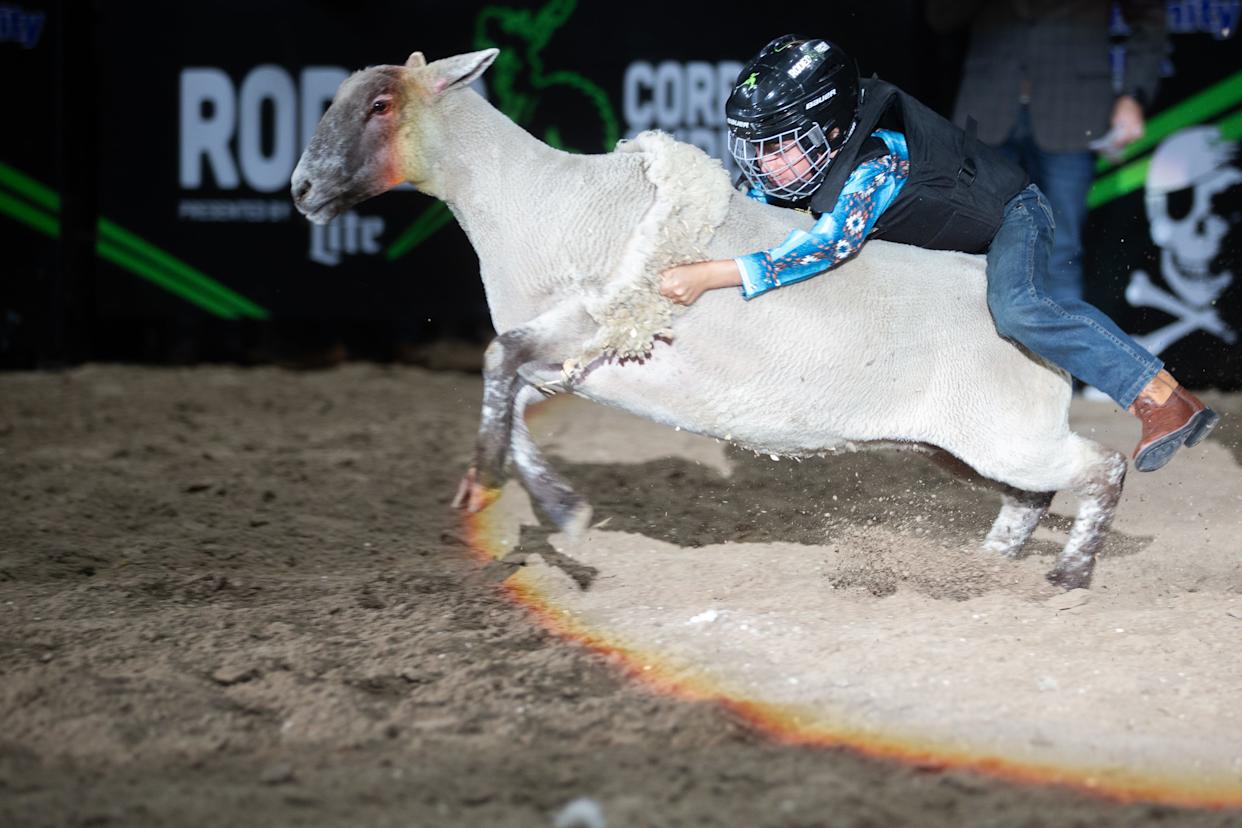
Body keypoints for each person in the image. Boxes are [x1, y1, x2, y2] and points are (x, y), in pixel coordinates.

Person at [657, 35, 1216, 473]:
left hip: (1012, 216)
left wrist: (713, 273)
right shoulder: (797, 165)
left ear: (828, 129)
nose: (765, 165)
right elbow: (749, 214)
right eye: (757, 148)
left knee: (1019, 309)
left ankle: (1160, 396)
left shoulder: (877, 160)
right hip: (943, 239)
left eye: (780, 146)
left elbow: (829, 245)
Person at [924, 0, 1168, 305]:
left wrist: (1134, 95)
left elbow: (1149, 15)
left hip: (1074, 110)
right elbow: (940, 16)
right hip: (988, 106)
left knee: (1061, 251)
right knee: (969, 245)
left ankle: (1057, 353)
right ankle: (965, 349)